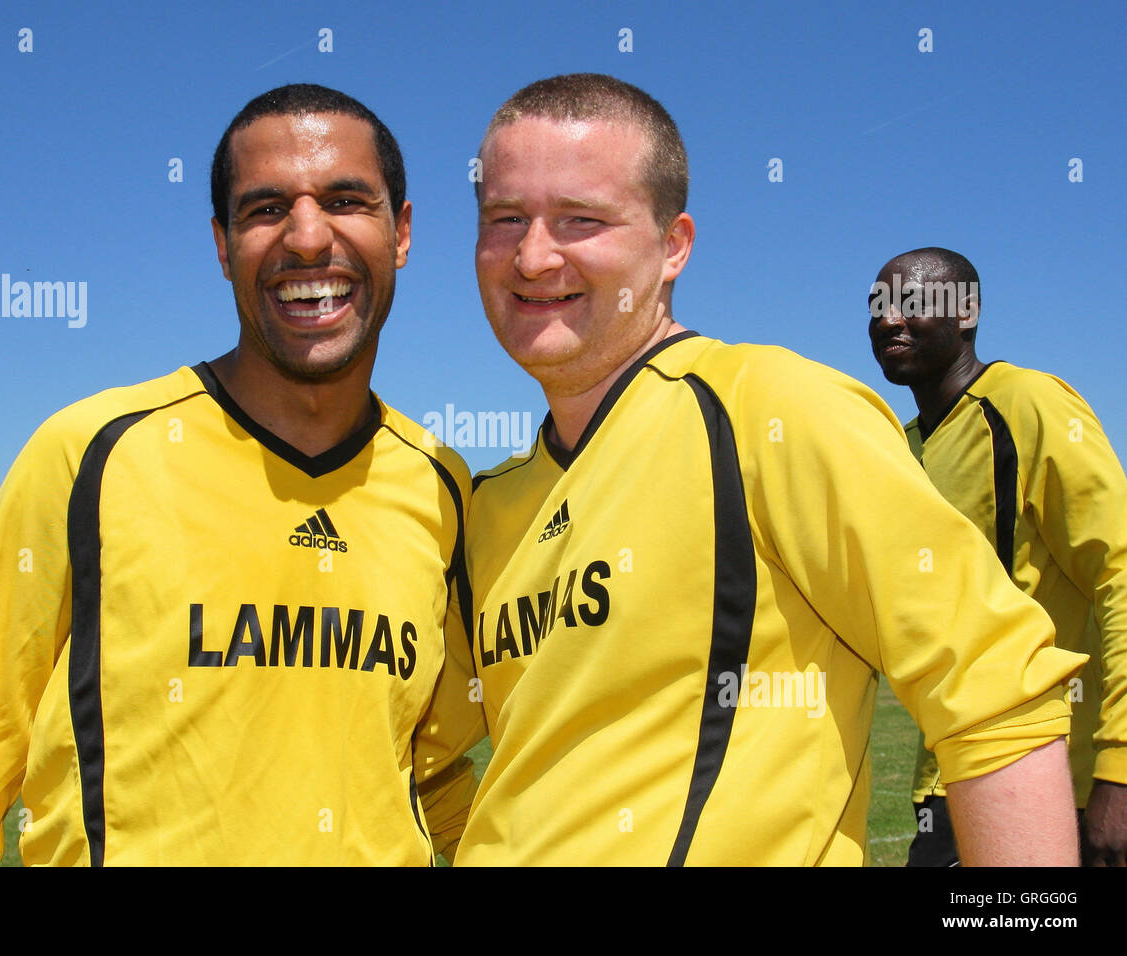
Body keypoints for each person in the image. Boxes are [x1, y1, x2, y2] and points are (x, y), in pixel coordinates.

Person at [454, 73, 1085, 866]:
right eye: (504, 219)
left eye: (582, 220)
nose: (534, 255)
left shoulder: (772, 409)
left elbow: (997, 691)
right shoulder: (489, 506)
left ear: (674, 243)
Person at [0, 84, 484, 866]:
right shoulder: (90, 452)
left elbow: (436, 775)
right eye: (264, 209)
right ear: (223, 245)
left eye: (344, 199)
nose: (305, 237)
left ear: (400, 232)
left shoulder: (442, 486)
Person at [869, 247, 1127, 867]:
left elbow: (1119, 571)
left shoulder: (1027, 406)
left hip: (1054, 776)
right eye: (876, 306)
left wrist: (1119, 766)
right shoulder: (897, 451)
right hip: (946, 779)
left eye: (912, 302)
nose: (889, 320)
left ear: (967, 312)